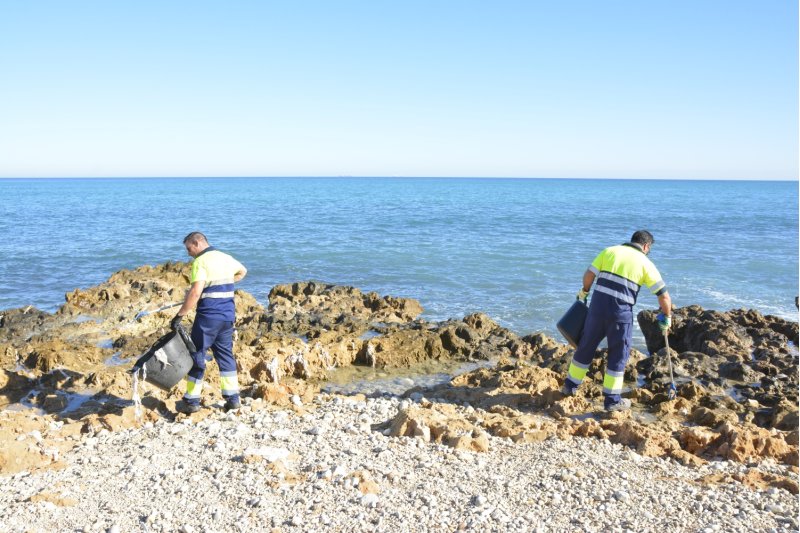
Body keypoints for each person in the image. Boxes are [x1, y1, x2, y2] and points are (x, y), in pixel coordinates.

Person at [562, 230, 672, 412]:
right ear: (646, 246)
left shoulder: (610, 251)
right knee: (618, 354)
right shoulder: (646, 263)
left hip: (597, 310)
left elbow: (589, 275)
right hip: (620, 315)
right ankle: (612, 401)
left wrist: (585, 291)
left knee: (586, 346)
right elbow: (664, 297)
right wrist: (666, 318)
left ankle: (569, 386)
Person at [172, 232, 247, 414]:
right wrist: (224, 283)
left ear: (197, 243)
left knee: (197, 355)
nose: (189, 253)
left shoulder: (200, 262)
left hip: (208, 317)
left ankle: (192, 401)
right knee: (225, 356)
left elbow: (195, 293)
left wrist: (179, 316)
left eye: (189, 248)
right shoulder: (225, 257)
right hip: (227, 317)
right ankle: (233, 399)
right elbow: (243, 271)